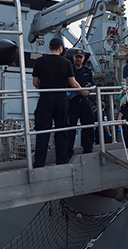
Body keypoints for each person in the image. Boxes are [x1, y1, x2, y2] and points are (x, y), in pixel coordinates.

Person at [32, 38, 85, 167]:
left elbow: (35, 83)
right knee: (61, 130)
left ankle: (39, 162)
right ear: (61, 48)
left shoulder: (39, 61)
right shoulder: (66, 62)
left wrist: (45, 88)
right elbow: (72, 83)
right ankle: (61, 160)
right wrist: (82, 91)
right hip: (61, 99)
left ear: (49, 47)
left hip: (45, 98)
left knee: (43, 131)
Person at [66, 49, 95, 158]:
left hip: (85, 102)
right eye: (77, 57)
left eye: (80, 57)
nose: (78, 59)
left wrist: (89, 89)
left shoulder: (87, 70)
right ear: (73, 57)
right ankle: (69, 151)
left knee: (88, 126)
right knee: (70, 128)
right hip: (72, 103)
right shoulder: (69, 70)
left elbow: (94, 85)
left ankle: (88, 149)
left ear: (83, 59)